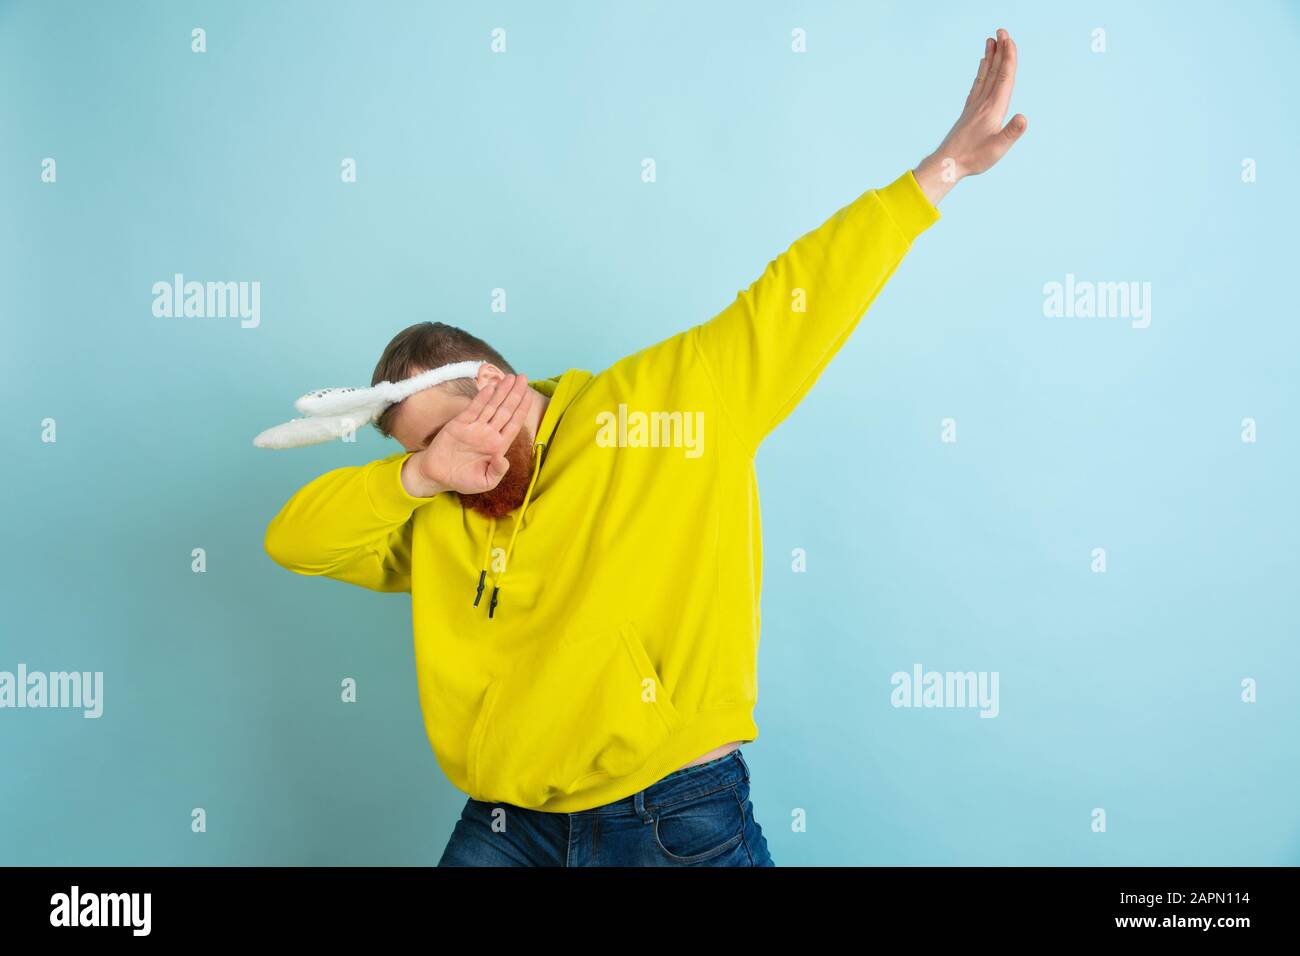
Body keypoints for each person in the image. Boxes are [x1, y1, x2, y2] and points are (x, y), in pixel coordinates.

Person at [263, 29, 1026, 866]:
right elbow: (291, 540)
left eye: (446, 434)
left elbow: (803, 292)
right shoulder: (442, 497)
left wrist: (942, 171)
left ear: (497, 387)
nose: (449, 464)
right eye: (422, 454)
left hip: (669, 812)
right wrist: (416, 475)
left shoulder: (669, 402)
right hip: (505, 823)